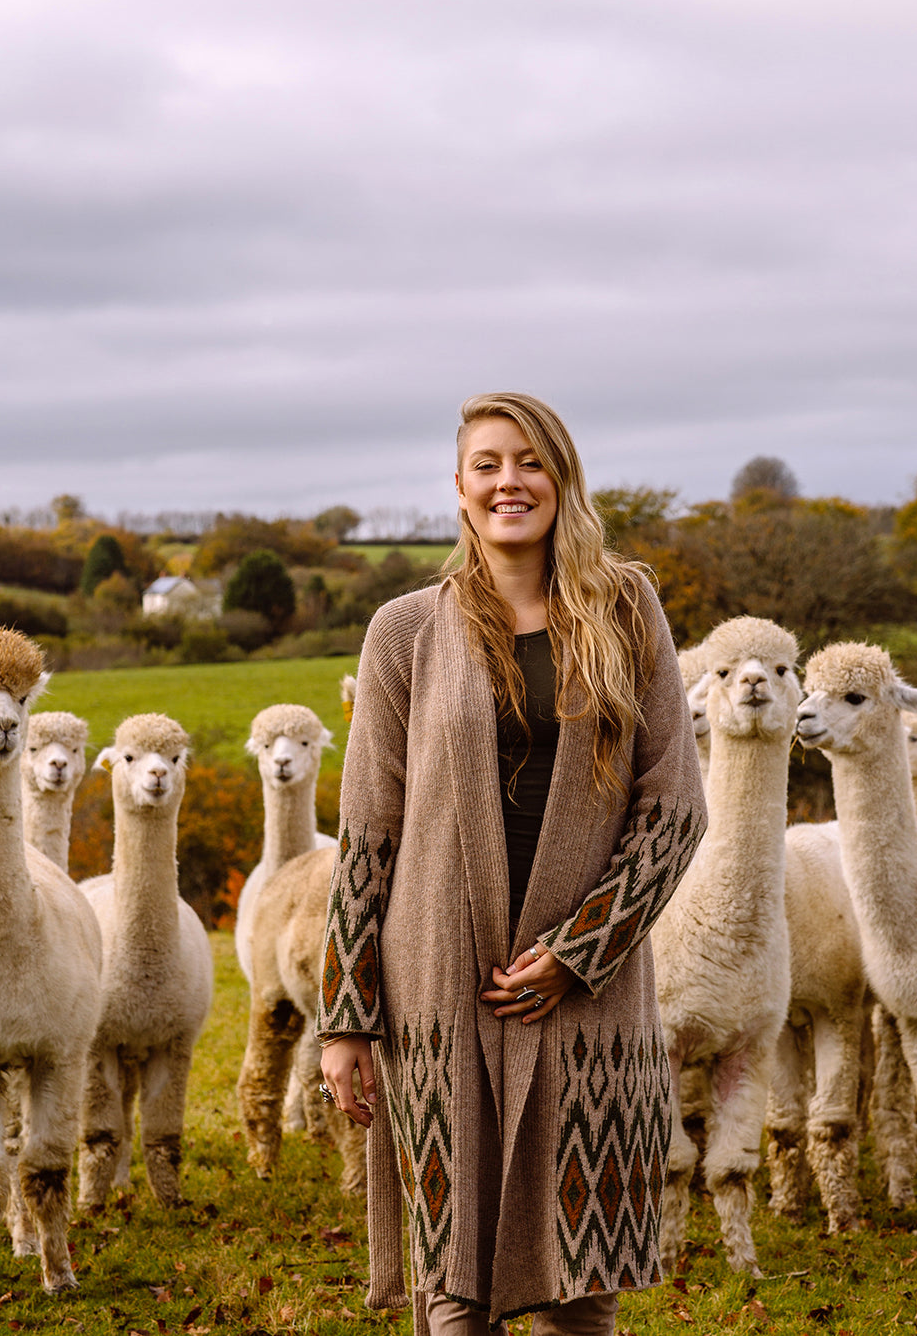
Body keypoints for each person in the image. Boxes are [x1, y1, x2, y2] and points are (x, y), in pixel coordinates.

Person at [318, 392, 705, 1336]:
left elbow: (675, 808)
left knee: (581, 1282)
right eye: (488, 464)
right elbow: (368, 834)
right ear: (459, 489)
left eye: (531, 461)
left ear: (563, 480)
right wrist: (346, 1017)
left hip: (588, 993)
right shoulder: (404, 631)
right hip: (438, 983)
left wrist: (580, 952)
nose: (509, 482)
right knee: (456, 1281)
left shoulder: (625, 609)